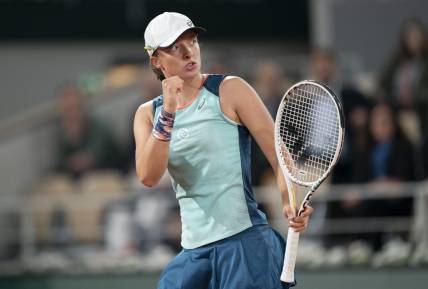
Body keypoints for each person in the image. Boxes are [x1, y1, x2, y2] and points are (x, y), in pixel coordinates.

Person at [133, 12, 313, 289]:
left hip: (245, 244)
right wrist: (168, 111)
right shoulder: (148, 114)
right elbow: (148, 176)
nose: (189, 53)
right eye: (175, 48)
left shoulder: (231, 89)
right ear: (156, 60)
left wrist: (289, 201)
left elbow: (279, 156)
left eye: (192, 42)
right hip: (193, 254)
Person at [55, 84, 122, 178]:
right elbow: (63, 162)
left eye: (75, 107)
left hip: (110, 172)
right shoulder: (61, 133)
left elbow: (92, 157)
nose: (72, 114)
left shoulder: (98, 126)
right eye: (68, 109)